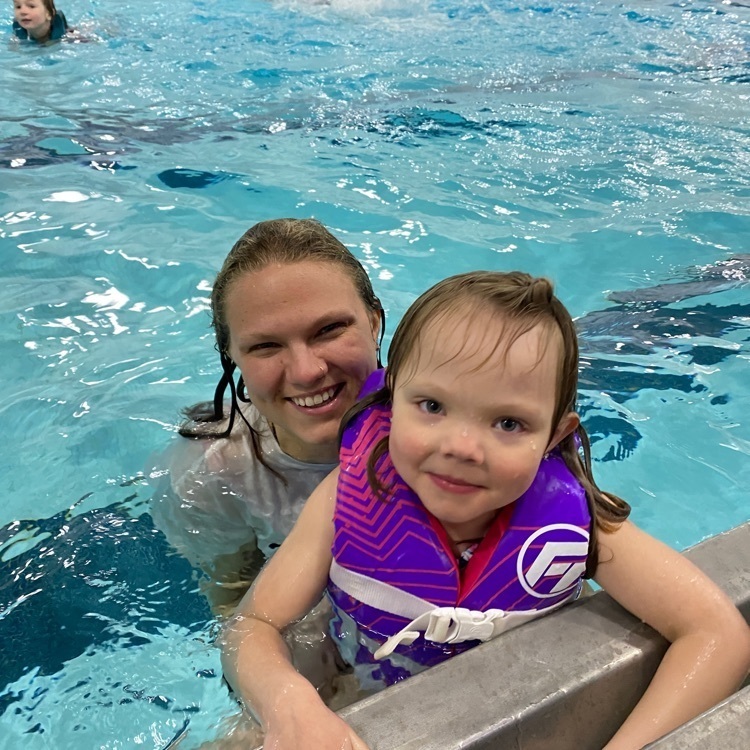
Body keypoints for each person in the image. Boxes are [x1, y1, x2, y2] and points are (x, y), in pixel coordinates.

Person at [220, 270, 750, 750]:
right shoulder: (347, 496)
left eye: (508, 424)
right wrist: (289, 701)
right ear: (391, 400)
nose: (463, 447)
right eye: (431, 406)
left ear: (553, 436)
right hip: (355, 683)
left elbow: (717, 634)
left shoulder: (581, 525)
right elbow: (254, 625)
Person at [149, 218, 384, 616]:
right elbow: (234, 603)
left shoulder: (455, 421)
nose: (306, 371)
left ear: (374, 322)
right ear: (232, 358)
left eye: (328, 329)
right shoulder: (212, 477)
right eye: (265, 346)